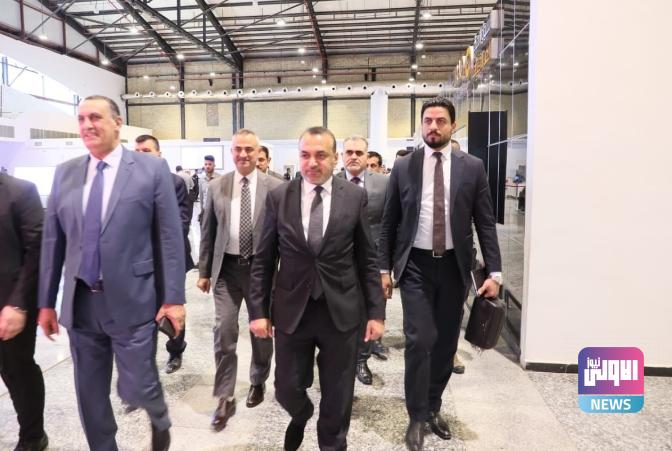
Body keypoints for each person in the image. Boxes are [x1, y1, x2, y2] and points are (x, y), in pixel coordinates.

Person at [38, 95, 186, 451]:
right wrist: (46, 301)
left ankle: (158, 416)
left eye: (95, 117)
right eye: (81, 119)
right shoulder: (65, 173)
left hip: (134, 298)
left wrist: (173, 299)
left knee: (137, 385)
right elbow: (53, 241)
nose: (87, 125)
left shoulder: (151, 170)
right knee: (90, 393)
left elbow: (169, 237)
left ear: (118, 123)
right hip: (81, 303)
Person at [248, 126, 386, 451]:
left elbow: (367, 258)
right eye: (305, 155)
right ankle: (301, 412)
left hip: (341, 309)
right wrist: (258, 311)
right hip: (292, 309)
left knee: (338, 395)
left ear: (335, 158)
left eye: (321, 155)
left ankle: (332, 445)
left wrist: (376, 312)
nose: (312, 162)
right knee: (285, 387)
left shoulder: (354, 197)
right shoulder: (279, 197)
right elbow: (264, 259)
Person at [378, 97, 502, 451]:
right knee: (419, 341)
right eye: (428, 121)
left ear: (452, 125)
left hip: (454, 267)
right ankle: (416, 416)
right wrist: (383, 268)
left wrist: (494, 272)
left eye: (440, 121)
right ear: (421, 125)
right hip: (415, 266)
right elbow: (389, 222)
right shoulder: (405, 166)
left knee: (446, 343)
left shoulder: (472, 167)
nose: (433, 126)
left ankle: (433, 405)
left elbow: (485, 222)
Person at [197, 129, 284, 432]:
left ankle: (258, 379)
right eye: (238, 149)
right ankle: (225, 396)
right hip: (227, 270)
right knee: (224, 330)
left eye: (249, 149)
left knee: (262, 331)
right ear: (231, 152)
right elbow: (208, 231)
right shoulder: (216, 186)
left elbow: (285, 236)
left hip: (262, 270)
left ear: (259, 152)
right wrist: (204, 271)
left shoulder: (276, 187)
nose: (243, 154)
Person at [136, 135, 193, 374]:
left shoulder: (175, 183)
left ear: (159, 154)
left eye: (147, 150)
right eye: (137, 150)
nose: (141, 155)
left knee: (172, 307)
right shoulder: (128, 184)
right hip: (139, 262)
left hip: (169, 260)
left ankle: (175, 351)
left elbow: (181, 224)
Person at [0, 172, 48, 451]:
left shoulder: (20, 191)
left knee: (17, 370)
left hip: (9, 304)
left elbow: (37, 252)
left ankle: (33, 436)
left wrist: (18, 304)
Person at [338, 135, 390, 386]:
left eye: (359, 152)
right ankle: (341, 357)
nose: (353, 157)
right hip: (340, 260)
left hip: (374, 259)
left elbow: (391, 224)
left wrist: (387, 267)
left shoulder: (384, 183)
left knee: (370, 310)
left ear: (367, 156)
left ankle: (362, 359)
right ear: (341, 155)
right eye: (349, 152)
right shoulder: (331, 183)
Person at [198, 155, 221, 223]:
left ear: (214, 165)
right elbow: (201, 197)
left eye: (210, 164)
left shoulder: (220, 178)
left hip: (216, 213)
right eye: (206, 164)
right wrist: (202, 211)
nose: (207, 166)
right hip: (205, 212)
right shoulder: (201, 180)